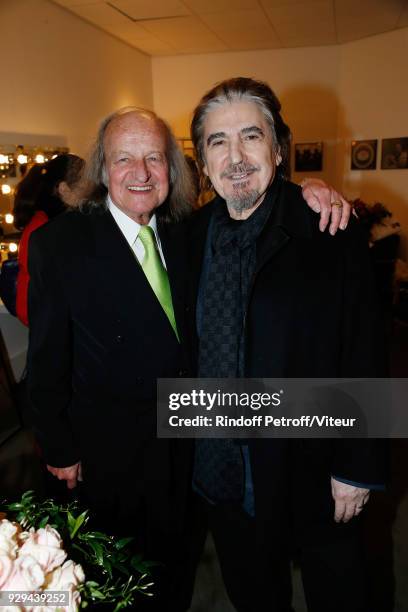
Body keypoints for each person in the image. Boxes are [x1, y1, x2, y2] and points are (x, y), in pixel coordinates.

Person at [27, 105, 351, 610]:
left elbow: (257, 203)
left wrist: (309, 189)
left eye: (155, 158)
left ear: (175, 169)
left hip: (191, 455)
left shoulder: (187, 232)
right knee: (121, 586)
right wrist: (58, 446)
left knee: (177, 576)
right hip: (113, 460)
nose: (141, 173)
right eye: (124, 159)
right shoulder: (61, 245)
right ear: (102, 167)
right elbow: (46, 362)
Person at [185, 77, 387, 612]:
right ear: (203, 162)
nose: (236, 157)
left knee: (342, 594)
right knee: (255, 597)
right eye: (217, 141)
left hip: (311, 465)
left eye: (251, 136)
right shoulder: (186, 236)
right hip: (219, 468)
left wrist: (356, 466)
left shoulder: (328, 227)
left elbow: (364, 350)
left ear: (278, 148)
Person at [13, 154, 85, 326]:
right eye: (86, 182)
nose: (94, 188)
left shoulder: (54, 223)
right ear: (64, 190)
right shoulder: (44, 230)